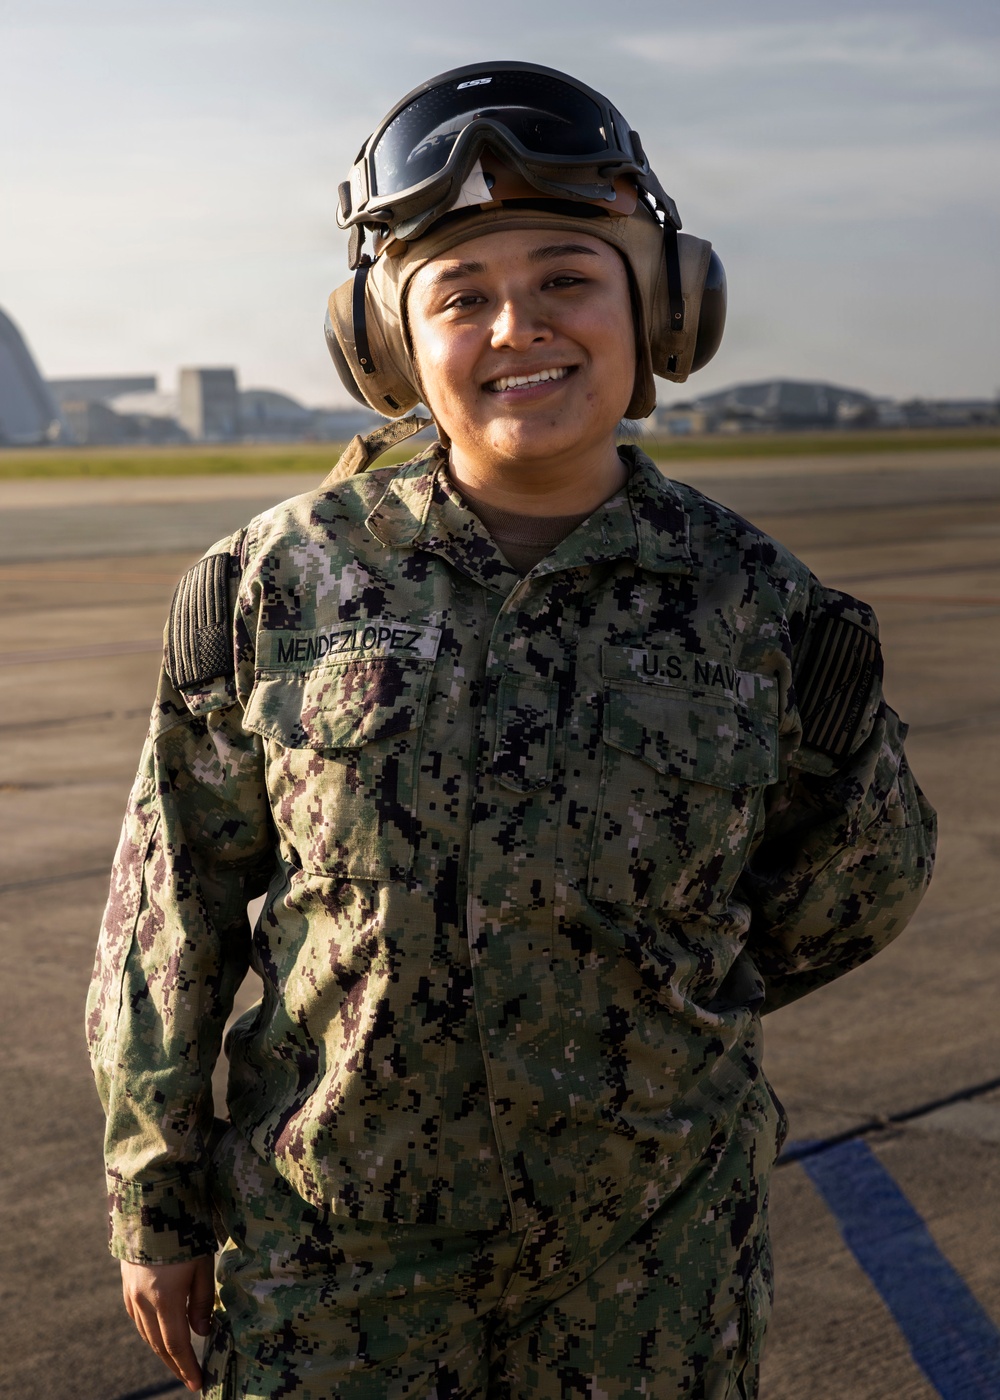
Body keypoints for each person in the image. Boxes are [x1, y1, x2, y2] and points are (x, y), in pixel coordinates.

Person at [87, 61, 936, 1400]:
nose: (515, 327)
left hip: (653, 1263)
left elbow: (851, 889)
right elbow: (169, 916)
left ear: (660, 309)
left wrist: (644, 1012)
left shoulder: (766, 610)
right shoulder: (270, 588)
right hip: (336, 1266)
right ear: (389, 345)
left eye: (566, 280)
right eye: (460, 296)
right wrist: (157, 1203)